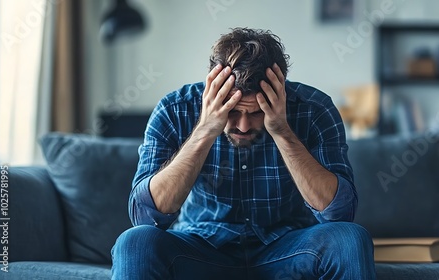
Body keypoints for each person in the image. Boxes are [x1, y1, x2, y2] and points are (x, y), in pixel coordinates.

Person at [111, 27, 376, 280]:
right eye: (232, 111)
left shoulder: (315, 109)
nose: (243, 126)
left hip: (289, 249)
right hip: (200, 248)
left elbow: (338, 213)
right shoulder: (174, 109)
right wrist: (205, 130)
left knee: (349, 238)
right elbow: (146, 217)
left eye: (256, 113)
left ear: (279, 89)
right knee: (134, 243)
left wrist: (282, 131)